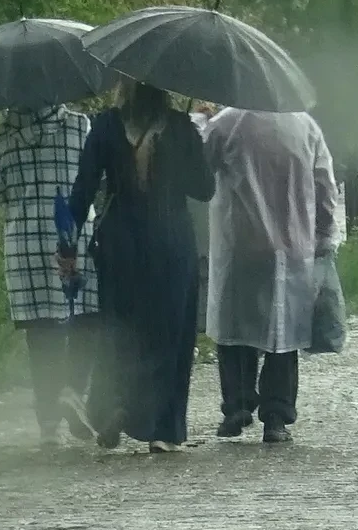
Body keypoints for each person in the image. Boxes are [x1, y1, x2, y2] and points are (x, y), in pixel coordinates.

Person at [60, 80, 215, 453]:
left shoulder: (106, 126)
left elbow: (82, 189)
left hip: (119, 244)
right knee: (170, 333)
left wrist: (67, 247)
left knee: (120, 330)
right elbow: (205, 189)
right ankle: (163, 428)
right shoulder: (180, 128)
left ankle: (115, 404)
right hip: (171, 241)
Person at [203, 108, 342, 444]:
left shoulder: (225, 123)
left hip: (239, 243)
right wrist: (324, 235)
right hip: (292, 246)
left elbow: (197, 174)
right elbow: (325, 184)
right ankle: (276, 416)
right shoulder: (304, 125)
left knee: (234, 326)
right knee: (284, 333)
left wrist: (198, 123)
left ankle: (237, 404)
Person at [0, 105, 99, 445]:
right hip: (74, 236)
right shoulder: (80, 125)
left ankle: (48, 423)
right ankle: (74, 390)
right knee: (87, 317)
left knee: (41, 330)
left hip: (25, 241)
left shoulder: (1, 134)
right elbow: (96, 177)